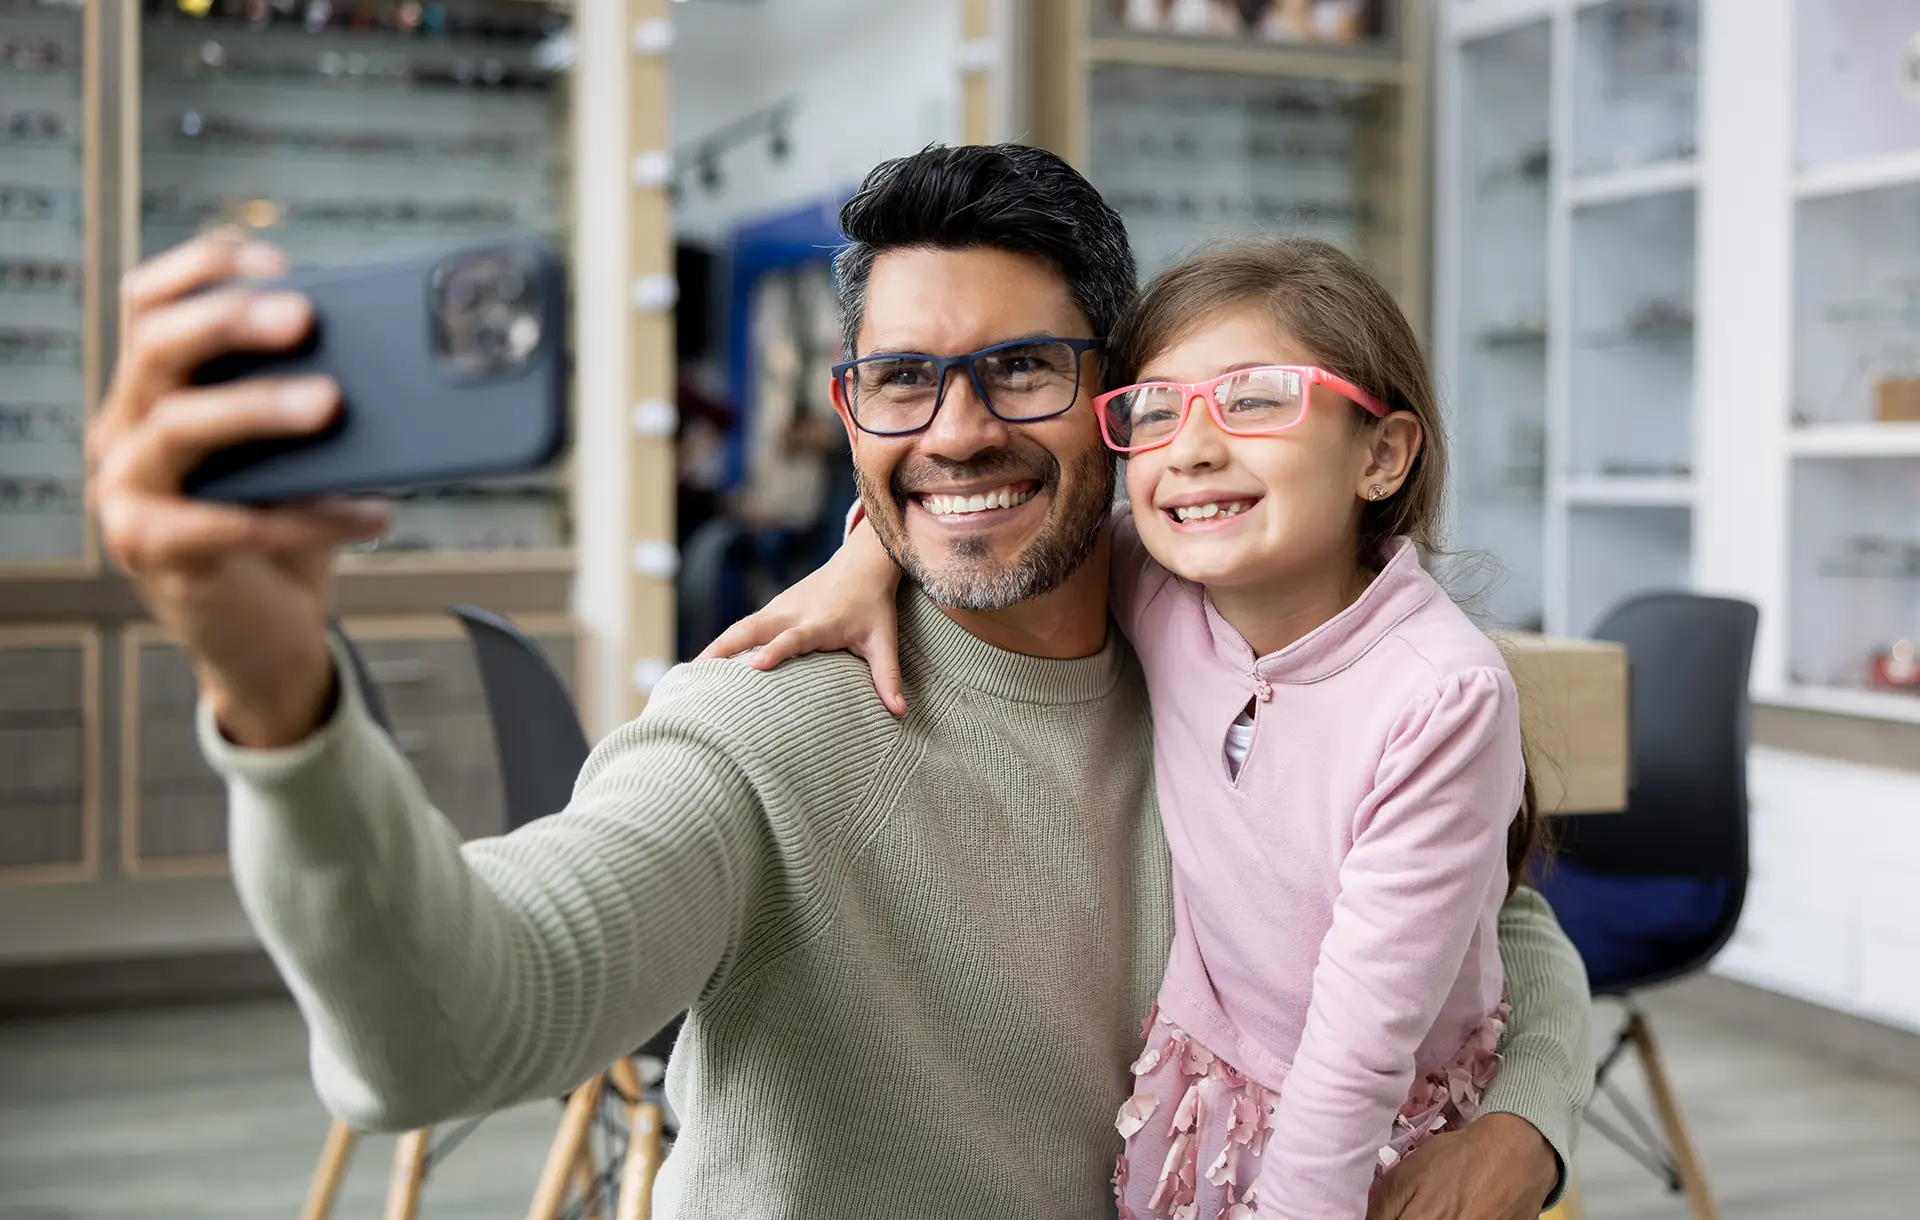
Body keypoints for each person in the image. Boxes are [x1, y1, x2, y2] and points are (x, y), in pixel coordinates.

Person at [85, 144, 1591, 1219]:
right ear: (852, 406)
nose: (953, 431)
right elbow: (443, 1036)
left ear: (1110, 411)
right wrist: (274, 688)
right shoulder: (764, 724)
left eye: (1022, 370)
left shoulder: (1210, 630)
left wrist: (1529, 1115)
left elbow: (1491, 911)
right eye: (899, 381)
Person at [706, 235, 1537, 1220]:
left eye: (1255, 397)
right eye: (1153, 410)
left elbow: (1359, 1044)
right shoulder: (1163, 580)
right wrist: (864, 558)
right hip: (1211, 1093)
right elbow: (989, 518)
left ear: (1383, 453)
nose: (1190, 448)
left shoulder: (1440, 694)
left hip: (1366, 1130)